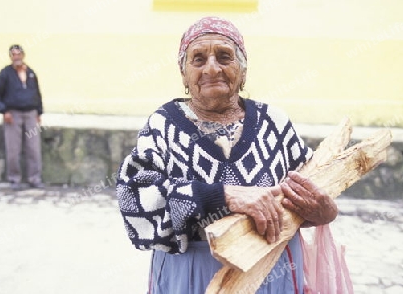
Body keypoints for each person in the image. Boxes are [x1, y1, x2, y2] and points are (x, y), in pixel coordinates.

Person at [116, 17, 338, 294]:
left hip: (271, 273)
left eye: (224, 57)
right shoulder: (164, 125)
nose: (212, 68)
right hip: (193, 277)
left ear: (243, 71)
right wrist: (224, 196)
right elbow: (134, 204)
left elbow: (309, 194)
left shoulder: (275, 123)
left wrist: (325, 212)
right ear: (184, 74)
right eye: (198, 59)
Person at [0, 44, 44, 190]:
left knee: (33, 148)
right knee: (13, 149)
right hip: (12, 115)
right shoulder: (5, 74)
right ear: (10, 56)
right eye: (13, 54)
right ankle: (14, 179)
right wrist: (4, 111)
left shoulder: (31, 73)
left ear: (23, 55)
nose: (16, 57)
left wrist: (39, 112)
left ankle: (34, 178)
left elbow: (37, 93)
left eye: (18, 54)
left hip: (30, 114)